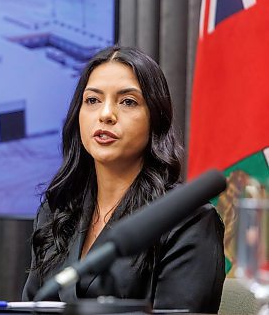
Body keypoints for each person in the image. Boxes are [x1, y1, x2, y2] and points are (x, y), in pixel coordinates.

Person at [22, 46, 225, 313]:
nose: (106, 114)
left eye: (128, 101)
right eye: (92, 100)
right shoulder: (57, 210)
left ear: (155, 118)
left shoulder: (190, 221)